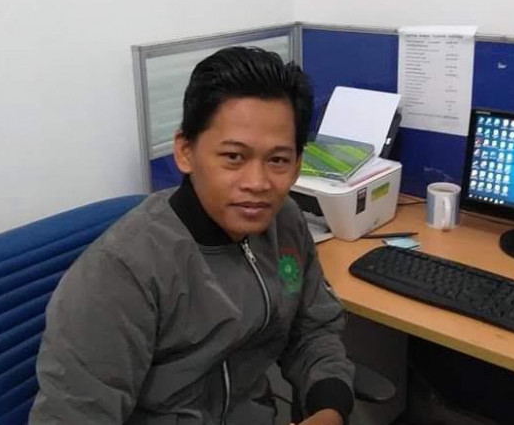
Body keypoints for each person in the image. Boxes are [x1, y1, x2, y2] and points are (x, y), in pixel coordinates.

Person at [29, 47, 354, 425]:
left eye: (278, 160)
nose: (258, 183)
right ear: (185, 152)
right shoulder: (122, 273)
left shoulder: (285, 222)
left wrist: (329, 409)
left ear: (297, 165)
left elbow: (312, 329)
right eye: (233, 157)